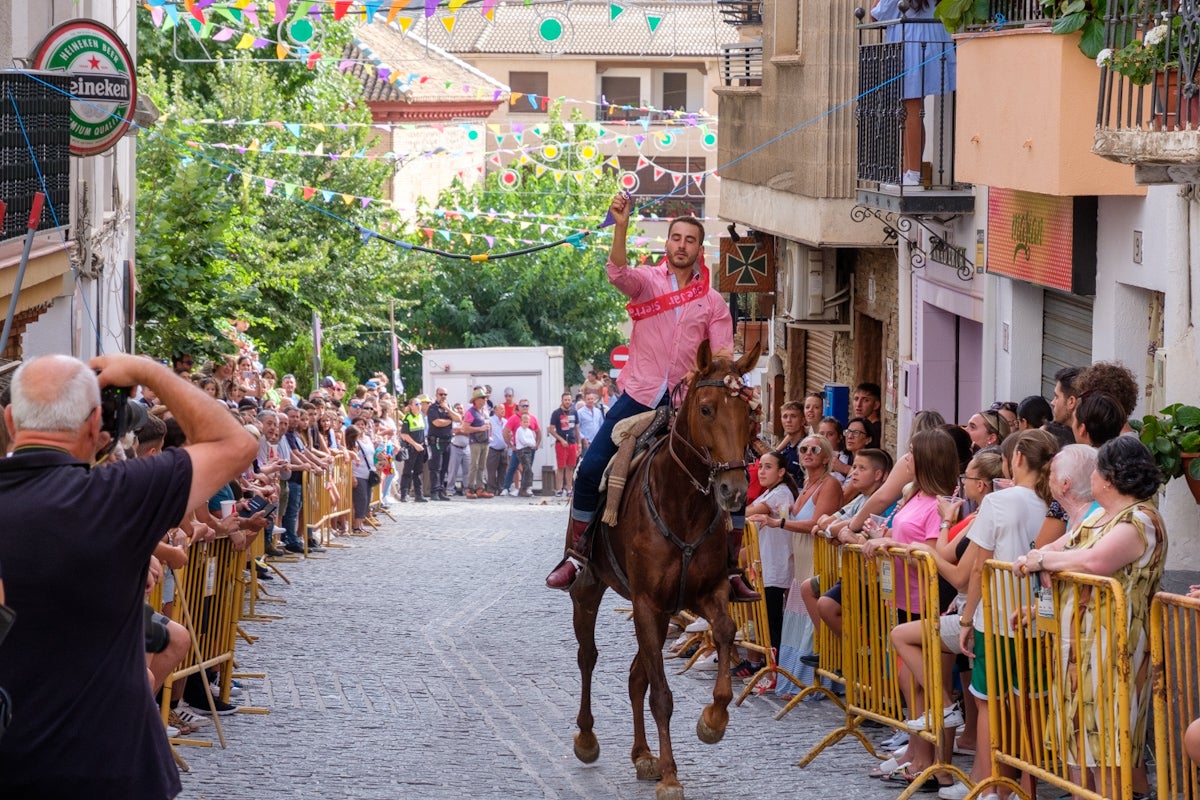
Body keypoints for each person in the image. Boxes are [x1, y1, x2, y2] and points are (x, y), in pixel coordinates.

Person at [0, 354, 256, 797]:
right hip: (111, 764)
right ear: (95, 423)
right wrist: (146, 370)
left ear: (10, 419)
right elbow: (236, 443)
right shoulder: (118, 494)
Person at [546, 192, 734, 591]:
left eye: (690, 240)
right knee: (589, 469)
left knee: (735, 469)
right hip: (639, 395)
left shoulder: (713, 301)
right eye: (676, 238)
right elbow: (617, 273)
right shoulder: (647, 282)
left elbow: (722, 353)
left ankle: (731, 568)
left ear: (700, 249)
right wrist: (621, 226)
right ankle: (577, 555)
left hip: (688, 404)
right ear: (667, 244)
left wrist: (702, 372)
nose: (682, 245)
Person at [1014, 436, 1164, 799]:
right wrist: (1039, 558)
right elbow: (1057, 548)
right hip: (1077, 649)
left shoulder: (1140, 519)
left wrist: (1043, 561)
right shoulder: (1099, 518)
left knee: (1106, 748)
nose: (1091, 477)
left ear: (1109, 478)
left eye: (1096, 471)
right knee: (1078, 745)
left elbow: (1094, 561)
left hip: (1113, 649)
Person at [956, 428, 1059, 796]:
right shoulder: (1054, 504)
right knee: (1030, 707)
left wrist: (966, 619)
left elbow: (979, 567)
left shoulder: (998, 502)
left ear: (1016, 459)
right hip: (1038, 619)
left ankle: (992, 786)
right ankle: (1024, 787)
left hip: (998, 617)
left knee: (989, 704)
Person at [748, 434, 843, 696]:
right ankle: (796, 679)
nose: (807, 453)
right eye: (803, 449)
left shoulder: (829, 484)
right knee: (798, 620)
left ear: (827, 457)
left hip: (817, 558)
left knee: (812, 619)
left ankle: (820, 681)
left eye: (815, 449)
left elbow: (816, 521)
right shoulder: (806, 485)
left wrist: (778, 522)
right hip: (800, 560)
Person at [870, 0, 955, 187]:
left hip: (911, 41)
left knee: (911, 109)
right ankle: (909, 171)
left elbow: (876, 14)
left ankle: (913, 173)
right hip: (928, 37)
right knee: (912, 109)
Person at [743, 451, 799, 652]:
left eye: (768, 467)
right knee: (767, 617)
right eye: (760, 467)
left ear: (781, 471)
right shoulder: (768, 492)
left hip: (777, 562)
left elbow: (754, 510)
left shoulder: (781, 492)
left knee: (773, 619)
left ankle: (776, 663)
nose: (762, 472)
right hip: (766, 561)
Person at [425, 387, 459, 501]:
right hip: (436, 442)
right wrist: (450, 420)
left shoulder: (449, 407)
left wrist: (447, 409)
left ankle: (440, 491)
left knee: (444, 468)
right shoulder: (433, 408)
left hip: (447, 442)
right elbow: (437, 423)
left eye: (445, 394)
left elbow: (458, 418)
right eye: (441, 394)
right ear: (436, 395)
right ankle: (434, 492)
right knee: (435, 468)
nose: (443, 396)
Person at [399, 396, 429, 502]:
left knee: (418, 472)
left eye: (420, 404)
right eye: (416, 404)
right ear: (411, 406)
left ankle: (418, 495)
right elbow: (404, 434)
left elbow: (422, 432)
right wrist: (415, 444)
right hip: (411, 448)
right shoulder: (407, 418)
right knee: (407, 472)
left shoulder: (420, 416)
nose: (419, 406)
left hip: (420, 447)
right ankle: (404, 494)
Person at [549, 392, 578, 497]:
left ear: (571, 401)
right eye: (565, 400)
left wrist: (579, 443)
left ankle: (569, 489)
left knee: (571, 467)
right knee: (561, 467)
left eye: (569, 400)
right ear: (562, 401)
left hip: (572, 442)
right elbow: (551, 430)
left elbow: (577, 429)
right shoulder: (556, 413)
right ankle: (559, 489)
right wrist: (561, 440)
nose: (567, 401)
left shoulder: (574, 412)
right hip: (561, 444)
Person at [576, 391, 604, 456]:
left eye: (592, 399)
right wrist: (583, 438)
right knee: (587, 460)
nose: (590, 401)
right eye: (588, 399)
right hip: (586, 442)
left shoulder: (598, 411)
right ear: (584, 400)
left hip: (597, 441)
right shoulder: (580, 412)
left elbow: (602, 426)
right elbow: (577, 428)